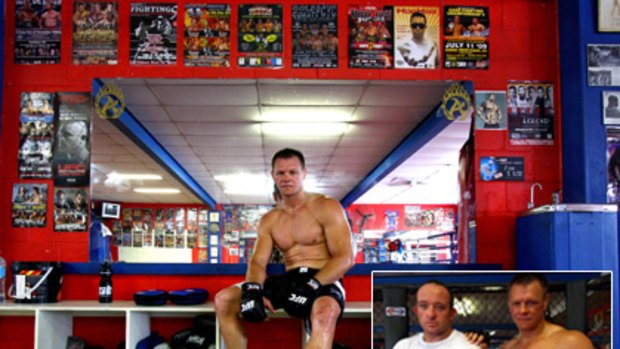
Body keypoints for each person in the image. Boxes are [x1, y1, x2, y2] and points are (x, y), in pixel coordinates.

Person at [214, 148, 355, 349]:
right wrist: (253, 290)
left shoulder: (327, 206)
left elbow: (345, 258)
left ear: (304, 174)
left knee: (325, 312)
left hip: (323, 279)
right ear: (273, 176)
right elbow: (258, 262)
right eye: (281, 173)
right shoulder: (269, 220)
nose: (286, 178)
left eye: (293, 172)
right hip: (290, 280)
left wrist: (310, 287)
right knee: (224, 300)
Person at [501, 273, 594, 349]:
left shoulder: (571, 343)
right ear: (509, 305)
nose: (523, 310)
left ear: (545, 302)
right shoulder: (508, 347)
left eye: (531, 303)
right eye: (516, 304)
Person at [393, 280, 482, 349]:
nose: (431, 314)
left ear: (451, 314)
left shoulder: (468, 347)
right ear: (416, 311)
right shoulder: (403, 346)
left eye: (439, 307)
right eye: (424, 306)